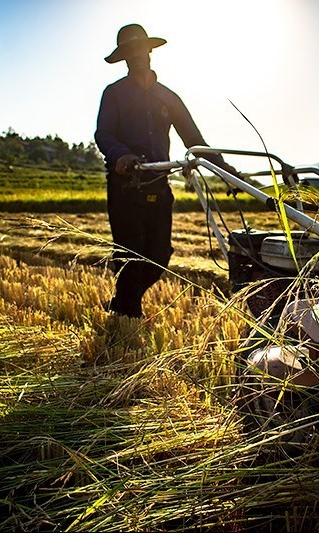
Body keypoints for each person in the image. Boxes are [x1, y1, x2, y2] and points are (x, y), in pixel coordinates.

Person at [95, 23, 241, 319]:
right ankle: (128, 320)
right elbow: (104, 134)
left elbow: (194, 139)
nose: (136, 55)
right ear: (123, 58)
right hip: (126, 186)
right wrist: (122, 155)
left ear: (149, 50)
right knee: (130, 258)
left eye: (140, 49)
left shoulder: (168, 96)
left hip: (159, 182)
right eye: (129, 52)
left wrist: (225, 168)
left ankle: (122, 303)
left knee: (159, 257)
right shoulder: (114, 94)